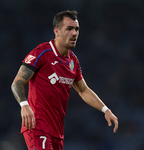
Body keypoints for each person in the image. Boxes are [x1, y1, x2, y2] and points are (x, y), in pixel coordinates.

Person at [11, 10, 118, 150]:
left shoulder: (73, 61)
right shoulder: (41, 53)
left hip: (57, 131)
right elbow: (17, 82)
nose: (74, 33)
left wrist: (106, 110)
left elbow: (83, 90)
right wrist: (24, 105)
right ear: (57, 31)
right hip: (37, 126)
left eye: (76, 29)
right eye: (69, 29)